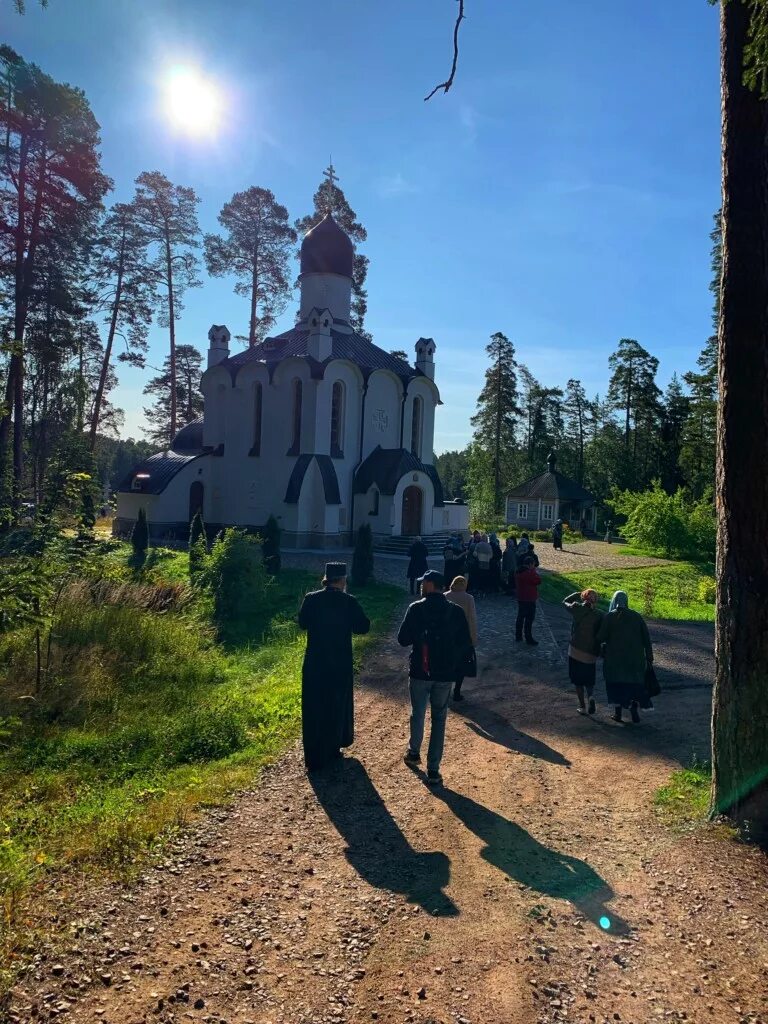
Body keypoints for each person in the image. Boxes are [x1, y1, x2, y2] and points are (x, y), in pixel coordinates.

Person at [398, 570, 471, 784]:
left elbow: (402, 639)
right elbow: (465, 642)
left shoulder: (416, 608)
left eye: (423, 583)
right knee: (439, 719)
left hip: (420, 670)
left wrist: (419, 637)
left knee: (418, 713)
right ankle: (433, 769)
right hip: (445, 673)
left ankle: (413, 752)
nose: (421, 585)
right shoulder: (455, 612)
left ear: (431, 585)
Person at [298, 562, 371, 771]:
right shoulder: (349, 601)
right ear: (342, 581)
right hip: (340, 663)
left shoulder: (311, 599)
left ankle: (314, 753)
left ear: (326, 579)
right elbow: (363, 627)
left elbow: (302, 623)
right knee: (336, 706)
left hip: (315, 662)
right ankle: (332, 749)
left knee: (314, 707)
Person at [596, 590, 654, 723]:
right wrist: (649, 656)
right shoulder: (636, 616)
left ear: (614, 602)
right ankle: (634, 708)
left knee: (616, 685)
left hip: (615, 660)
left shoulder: (610, 617)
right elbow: (646, 638)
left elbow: (600, 637)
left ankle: (618, 714)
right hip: (635, 660)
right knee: (634, 685)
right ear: (626, 601)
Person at [563, 589, 603, 715]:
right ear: (595, 601)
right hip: (591, 653)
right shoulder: (599, 615)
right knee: (588, 679)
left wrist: (576, 593)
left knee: (577, 680)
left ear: (583, 598)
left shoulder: (576, 608)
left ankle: (582, 706)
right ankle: (590, 696)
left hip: (575, 650)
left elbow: (564, 601)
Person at [445, 575, 478, 702]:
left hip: (447, 636)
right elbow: (472, 619)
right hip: (462, 637)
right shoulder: (469, 598)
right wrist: (473, 638)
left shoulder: (445, 596)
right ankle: (457, 691)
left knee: (447, 663)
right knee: (461, 665)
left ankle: (445, 690)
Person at [515, 556, 541, 645]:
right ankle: (528, 638)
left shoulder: (519, 571)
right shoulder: (528, 573)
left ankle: (518, 635)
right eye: (533, 564)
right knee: (529, 619)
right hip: (529, 598)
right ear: (530, 564)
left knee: (520, 617)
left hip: (521, 597)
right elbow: (538, 581)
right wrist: (534, 572)